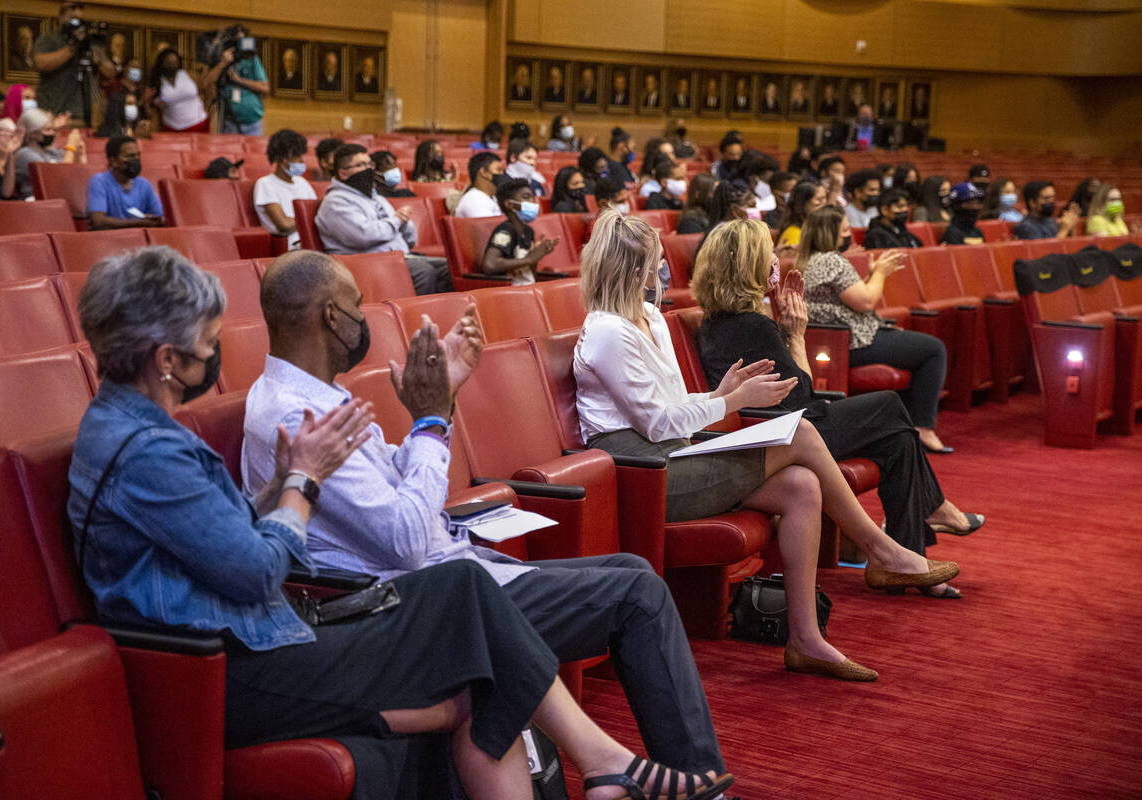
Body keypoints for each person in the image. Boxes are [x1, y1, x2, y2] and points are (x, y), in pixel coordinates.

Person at [71, 245, 731, 800]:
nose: (216, 357)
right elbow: (256, 573)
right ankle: (605, 761)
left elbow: (217, 543)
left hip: (257, 638)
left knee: (481, 644)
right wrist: (303, 481)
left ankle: (604, 761)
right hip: (233, 662)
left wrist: (278, 484)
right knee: (470, 611)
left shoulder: (132, 431)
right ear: (164, 357)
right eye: (208, 343)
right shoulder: (149, 448)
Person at [573, 210, 959, 681]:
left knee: (800, 486)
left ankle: (805, 640)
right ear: (635, 273)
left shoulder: (649, 316)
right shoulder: (608, 331)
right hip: (643, 473)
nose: (664, 273)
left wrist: (718, 396)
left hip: (676, 452)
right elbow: (655, 424)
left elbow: (669, 405)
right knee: (799, 432)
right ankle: (882, 550)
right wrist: (732, 401)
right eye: (657, 264)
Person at [694, 218, 984, 593]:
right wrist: (796, 336)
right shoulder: (751, 325)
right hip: (783, 435)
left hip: (782, 424)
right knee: (891, 406)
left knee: (898, 440)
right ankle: (930, 514)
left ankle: (907, 562)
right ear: (749, 264)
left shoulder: (726, 319)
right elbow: (803, 400)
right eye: (769, 254)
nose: (776, 261)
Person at [800, 206, 952, 452]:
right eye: (845, 230)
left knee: (919, 344)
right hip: (852, 343)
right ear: (829, 233)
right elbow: (866, 301)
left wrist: (872, 275)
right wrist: (880, 272)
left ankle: (901, 427)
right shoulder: (830, 260)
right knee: (934, 349)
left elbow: (854, 298)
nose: (849, 235)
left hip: (846, 338)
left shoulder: (814, 260)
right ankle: (923, 427)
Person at [316, 144, 452, 295]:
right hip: (365, 262)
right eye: (361, 165)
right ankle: (414, 316)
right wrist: (396, 221)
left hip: (399, 257)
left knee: (450, 268)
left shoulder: (377, 198)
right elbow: (364, 235)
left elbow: (409, 239)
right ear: (343, 173)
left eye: (369, 164)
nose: (368, 169)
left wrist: (404, 223)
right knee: (423, 271)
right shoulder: (336, 201)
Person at [33, 2, 114, 122]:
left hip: (79, 114)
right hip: (50, 112)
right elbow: (40, 63)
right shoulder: (50, 39)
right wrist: (73, 47)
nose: (76, 23)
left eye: (79, 19)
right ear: (61, 18)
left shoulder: (88, 41)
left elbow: (110, 72)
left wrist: (93, 54)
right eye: (72, 18)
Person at [475, 178, 557, 285]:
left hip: (528, 288)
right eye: (526, 197)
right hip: (509, 292)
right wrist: (530, 258)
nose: (532, 201)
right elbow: (490, 265)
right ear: (510, 204)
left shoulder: (528, 231)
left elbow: (529, 272)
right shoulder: (505, 231)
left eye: (532, 197)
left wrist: (538, 254)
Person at [252, 129, 318, 249]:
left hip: (314, 240)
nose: (302, 162)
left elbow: (318, 215)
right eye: (297, 157)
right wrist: (310, 220)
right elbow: (284, 225)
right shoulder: (265, 184)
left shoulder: (303, 183)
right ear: (282, 159)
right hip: (292, 245)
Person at [86, 135, 164, 230]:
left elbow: (159, 218)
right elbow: (98, 222)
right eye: (130, 156)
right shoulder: (99, 182)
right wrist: (140, 222)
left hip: (140, 241)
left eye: (138, 155)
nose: (136, 160)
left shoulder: (145, 185)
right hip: (109, 240)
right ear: (113, 161)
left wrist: (154, 220)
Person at [14, 107, 86, 198]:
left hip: (61, 197)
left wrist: (80, 154)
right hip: (37, 202)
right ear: (32, 133)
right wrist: (70, 147)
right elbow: (60, 177)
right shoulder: (24, 154)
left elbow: (78, 173)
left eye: (53, 129)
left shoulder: (51, 150)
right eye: (48, 130)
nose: (52, 133)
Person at [220, 34, 270, 135]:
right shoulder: (222, 62)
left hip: (253, 124)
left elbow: (265, 88)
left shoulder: (252, 59)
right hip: (231, 123)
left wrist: (239, 80)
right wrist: (222, 64)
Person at [149, 48, 209, 132]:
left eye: (174, 62)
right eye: (168, 62)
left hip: (199, 124)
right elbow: (154, 105)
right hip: (172, 128)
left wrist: (205, 106)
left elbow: (205, 89)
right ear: (162, 63)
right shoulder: (157, 82)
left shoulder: (189, 75)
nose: (172, 65)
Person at [1014, 181, 1080, 240]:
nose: (1051, 202)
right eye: (1046, 198)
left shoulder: (1050, 221)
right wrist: (1064, 230)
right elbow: (1044, 252)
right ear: (1032, 203)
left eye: (1053, 197)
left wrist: (1070, 226)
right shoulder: (1026, 227)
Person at [776, 181, 827, 250]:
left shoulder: (819, 227)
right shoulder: (793, 233)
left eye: (824, 198)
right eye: (819, 200)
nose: (824, 204)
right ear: (803, 204)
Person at [454, 151, 504, 218]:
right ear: (483, 172)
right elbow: (489, 227)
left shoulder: (491, 197)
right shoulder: (475, 200)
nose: (502, 174)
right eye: (498, 170)